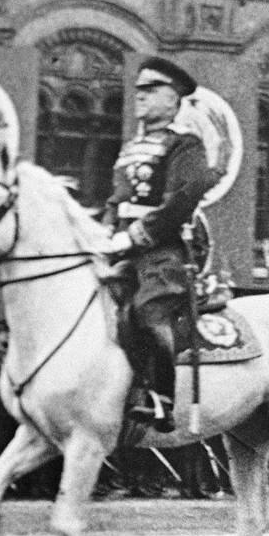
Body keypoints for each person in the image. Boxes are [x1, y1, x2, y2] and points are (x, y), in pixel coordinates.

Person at [103, 56, 219, 432]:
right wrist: (105, 234)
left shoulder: (185, 145)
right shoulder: (130, 148)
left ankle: (161, 397)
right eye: (139, 90)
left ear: (173, 100)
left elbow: (185, 196)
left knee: (148, 310)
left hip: (162, 251)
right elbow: (116, 200)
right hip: (121, 249)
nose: (141, 96)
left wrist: (137, 234)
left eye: (151, 91)